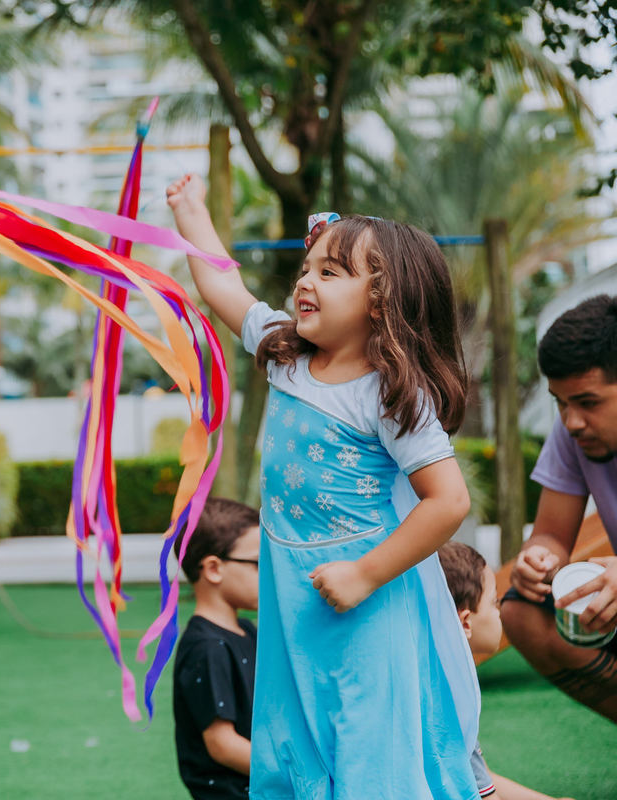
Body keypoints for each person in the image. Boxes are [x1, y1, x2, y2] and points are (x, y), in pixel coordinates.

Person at [168, 177, 480, 797]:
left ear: (382, 301)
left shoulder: (392, 393)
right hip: (292, 586)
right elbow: (223, 286)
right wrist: (191, 214)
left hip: (366, 593)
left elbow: (449, 501)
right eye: (306, 268)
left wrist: (364, 574)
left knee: (368, 744)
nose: (305, 282)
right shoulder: (286, 354)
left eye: (331, 273)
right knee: (297, 736)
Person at [501, 294, 617, 722]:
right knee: (522, 611)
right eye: (560, 403)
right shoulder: (573, 433)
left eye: (588, 402)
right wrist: (538, 560)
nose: (572, 422)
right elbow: (550, 534)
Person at [439, 542, 577, 800]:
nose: (499, 611)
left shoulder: (438, 676)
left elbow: (481, 779)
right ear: (466, 622)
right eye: (495, 602)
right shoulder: (451, 697)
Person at [172, 497, 260, 799]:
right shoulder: (207, 648)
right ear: (213, 569)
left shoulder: (246, 629)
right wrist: (288, 771)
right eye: (259, 564)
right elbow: (222, 744)